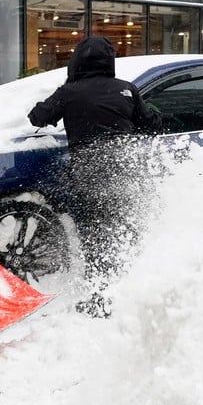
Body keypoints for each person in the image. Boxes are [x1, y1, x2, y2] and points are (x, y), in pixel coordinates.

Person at [27, 36, 162, 317]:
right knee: (126, 228)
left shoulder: (70, 92)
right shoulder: (127, 89)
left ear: (77, 62)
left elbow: (37, 117)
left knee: (96, 234)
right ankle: (134, 288)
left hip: (91, 169)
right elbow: (149, 125)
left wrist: (63, 97)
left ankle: (99, 299)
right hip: (127, 166)